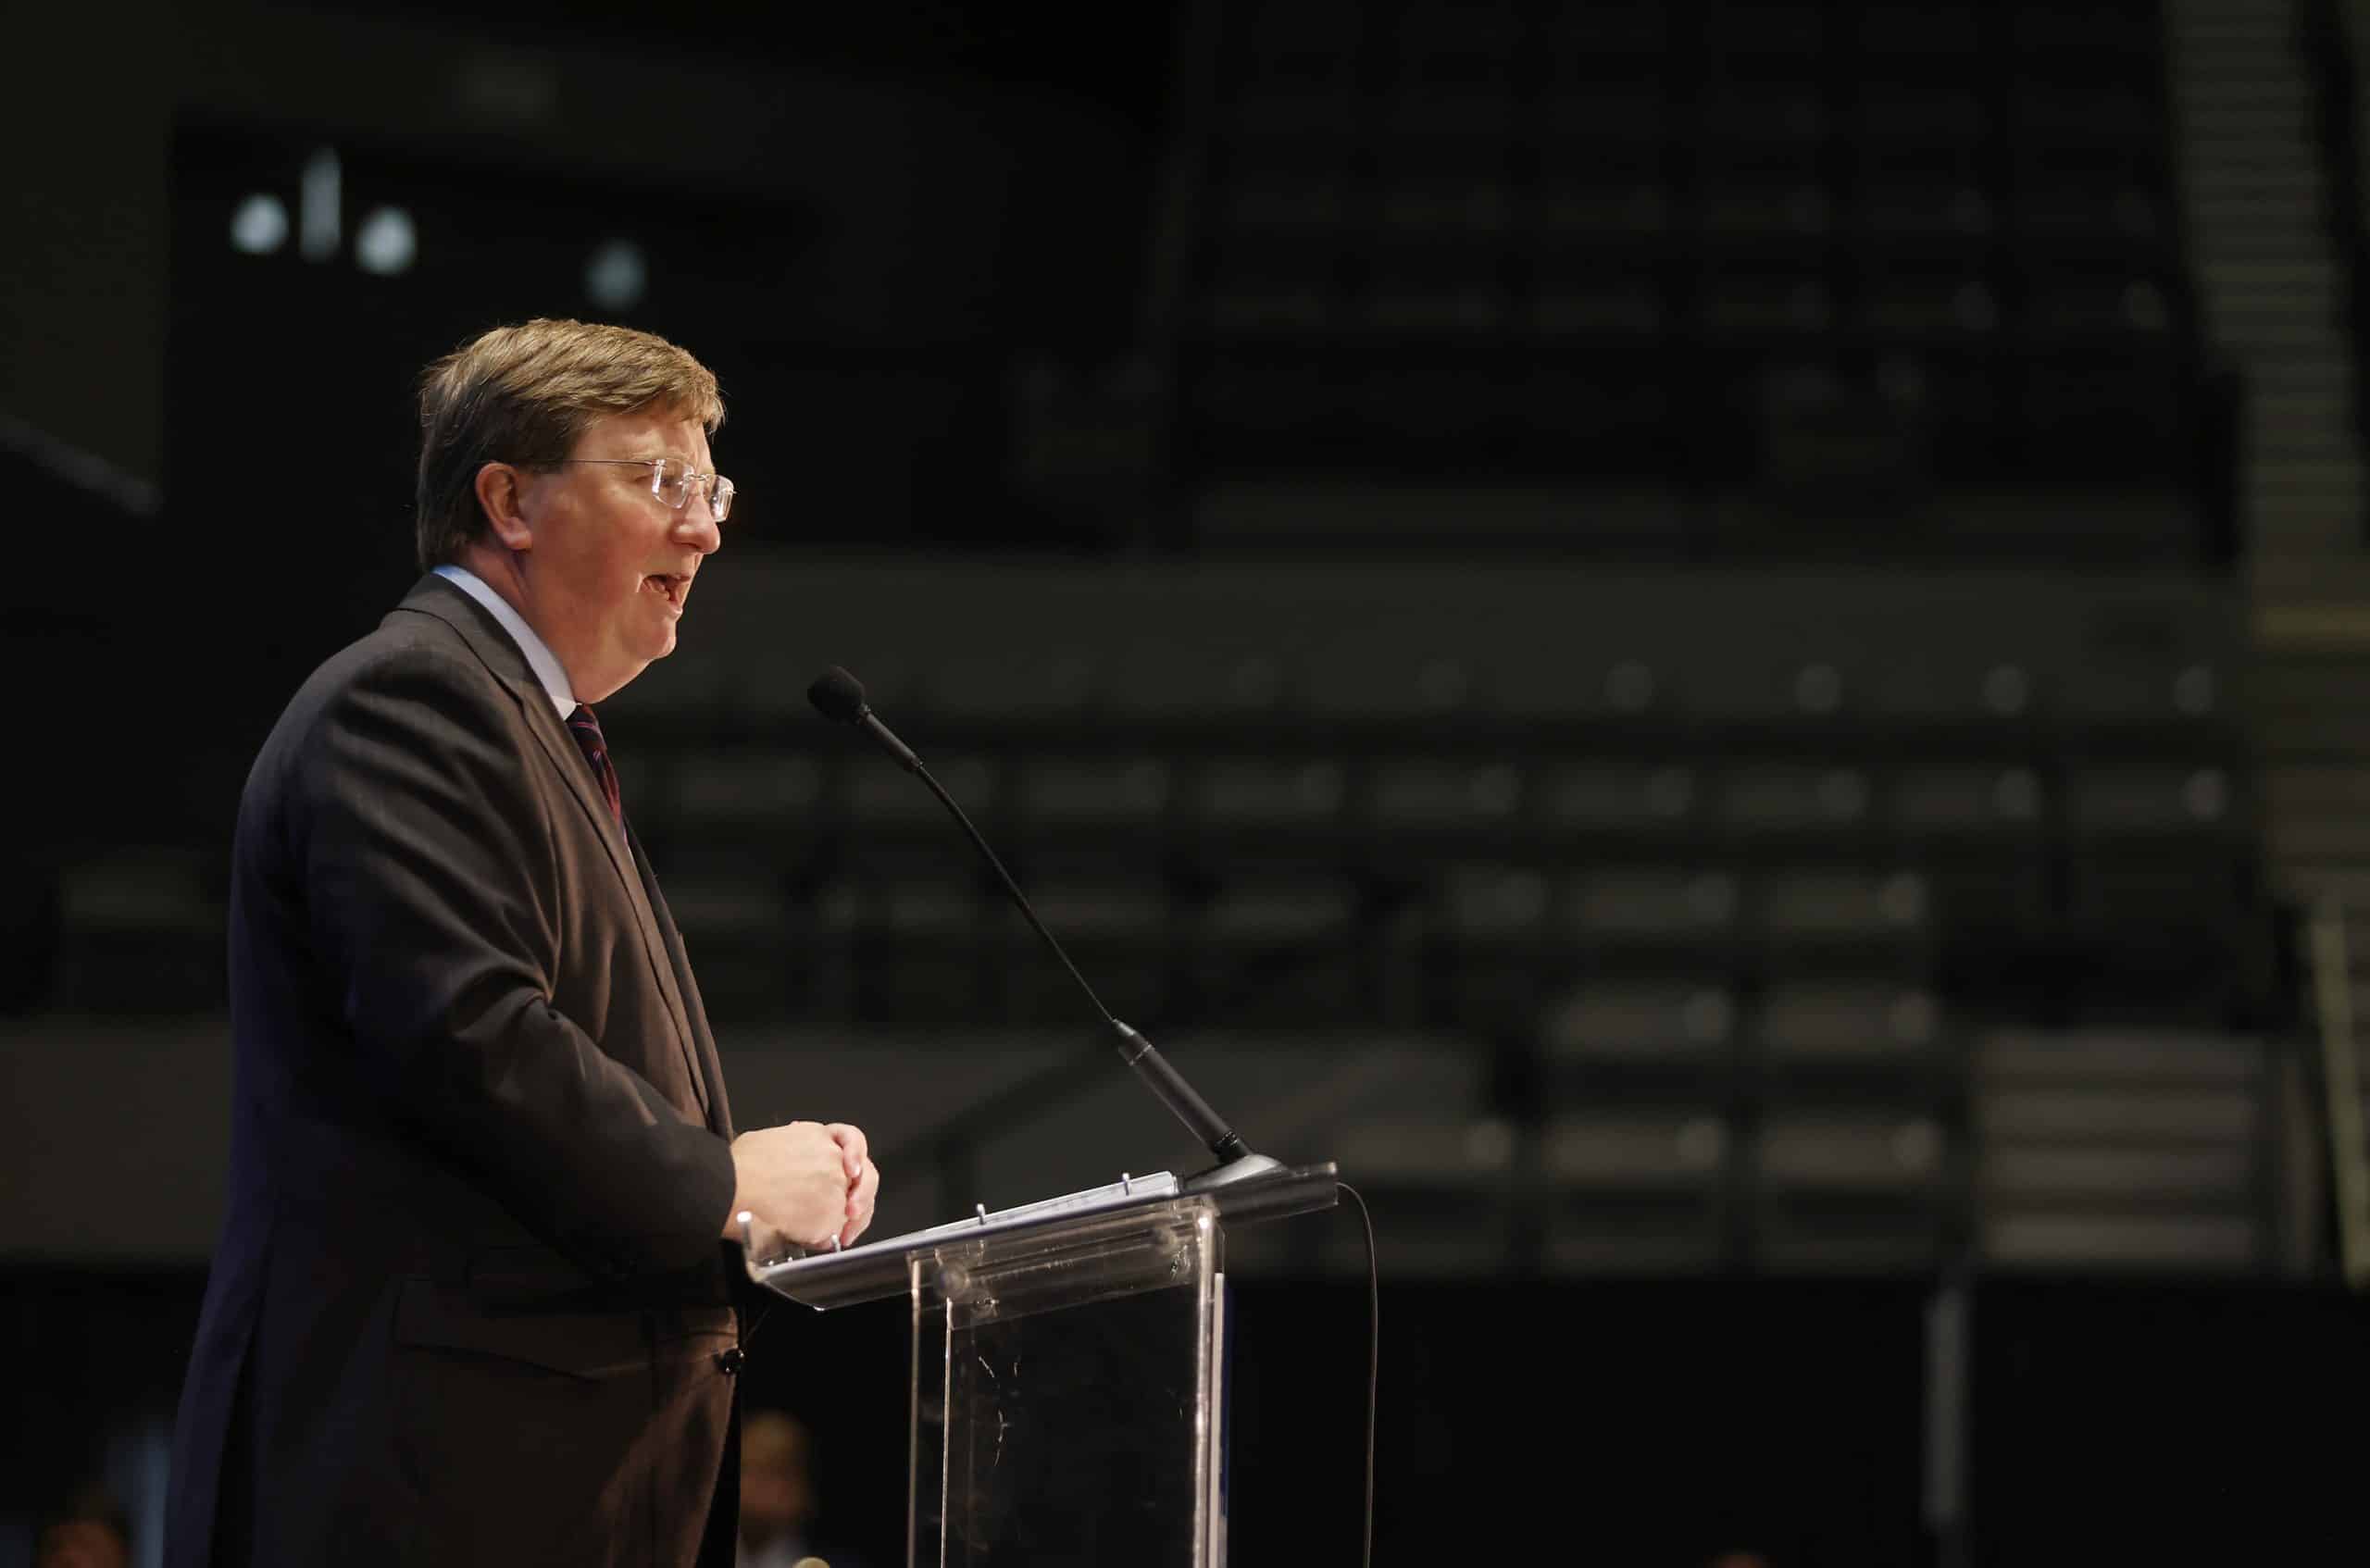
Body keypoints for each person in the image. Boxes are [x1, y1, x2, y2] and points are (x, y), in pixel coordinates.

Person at [162, 319, 879, 1566]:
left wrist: (748, 1206)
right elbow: (472, 1040)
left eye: (709, 488)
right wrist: (729, 1180)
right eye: (661, 481)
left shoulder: (530, 725)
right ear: (510, 499)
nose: (706, 529)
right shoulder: (413, 699)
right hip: (427, 1482)